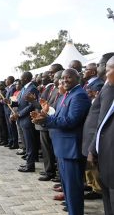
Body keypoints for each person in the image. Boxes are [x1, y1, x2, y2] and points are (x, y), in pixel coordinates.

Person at [31, 68, 91, 215]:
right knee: (68, 190)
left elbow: (71, 121)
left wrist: (47, 120)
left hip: (71, 150)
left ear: (78, 78)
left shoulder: (79, 96)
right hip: (63, 148)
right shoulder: (68, 94)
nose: (64, 80)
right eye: (63, 78)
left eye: (69, 77)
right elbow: (58, 116)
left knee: (73, 190)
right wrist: (43, 118)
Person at [88, 56, 114, 215]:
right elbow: (101, 124)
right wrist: (93, 149)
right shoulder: (109, 87)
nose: (105, 73)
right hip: (105, 157)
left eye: (109, 69)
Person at [7, 72, 39, 172]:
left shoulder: (32, 88)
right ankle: (28, 163)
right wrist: (10, 102)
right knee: (26, 143)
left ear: (25, 78)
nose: (19, 79)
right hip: (22, 120)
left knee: (30, 144)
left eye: (21, 77)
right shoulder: (24, 88)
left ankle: (30, 166)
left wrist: (19, 114)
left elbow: (31, 105)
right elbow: (19, 102)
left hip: (27, 120)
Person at [3, 76, 19, 148]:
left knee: (12, 128)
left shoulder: (12, 88)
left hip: (10, 110)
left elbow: (13, 100)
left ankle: (14, 142)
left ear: (9, 80)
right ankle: (10, 141)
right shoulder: (9, 88)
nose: (5, 81)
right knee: (9, 127)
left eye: (6, 80)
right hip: (7, 110)